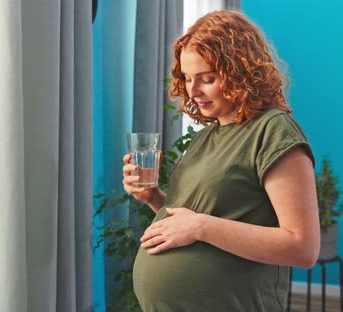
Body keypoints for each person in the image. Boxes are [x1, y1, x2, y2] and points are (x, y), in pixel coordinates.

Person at [122, 10, 320, 312]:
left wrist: (201, 227)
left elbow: (302, 248)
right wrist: (154, 198)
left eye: (207, 79)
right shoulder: (207, 135)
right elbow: (196, 218)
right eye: (188, 79)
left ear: (241, 71)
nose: (193, 91)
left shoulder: (272, 130)